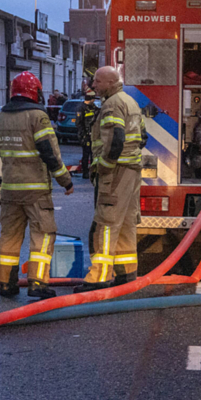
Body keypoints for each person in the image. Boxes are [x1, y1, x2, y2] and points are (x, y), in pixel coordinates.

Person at [0, 72, 74, 299]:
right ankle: (37, 283)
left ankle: (6, 284)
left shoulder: (0, 116)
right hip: (35, 191)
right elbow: (49, 153)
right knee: (43, 234)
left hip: (9, 190)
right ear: (35, 91)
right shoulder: (38, 116)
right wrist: (66, 181)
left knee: (10, 236)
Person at [75, 66, 143, 292]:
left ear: (111, 82)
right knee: (125, 223)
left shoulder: (112, 104)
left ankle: (99, 276)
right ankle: (126, 272)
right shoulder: (130, 102)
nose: (93, 86)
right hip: (131, 170)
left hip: (115, 171)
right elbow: (143, 137)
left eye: (97, 82)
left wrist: (104, 166)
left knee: (106, 222)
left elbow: (117, 139)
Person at [76, 88, 98, 179]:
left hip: (93, 135)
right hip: (85, 135)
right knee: (86, 154)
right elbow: (79, 123)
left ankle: (92, 172)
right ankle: (85, 172)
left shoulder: (93, 107)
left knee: (93, 155)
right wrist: (83, 135)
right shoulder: (81, 108)